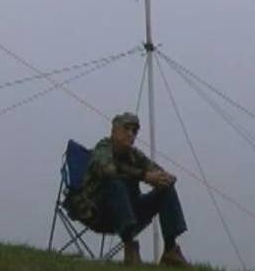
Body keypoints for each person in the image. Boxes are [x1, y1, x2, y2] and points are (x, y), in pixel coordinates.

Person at [69, 112, 189, 267]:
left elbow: (154, 170)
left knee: (166, 187)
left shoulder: (134, 155)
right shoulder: (103, 148)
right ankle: (130, 248)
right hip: (97, 212)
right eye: (126, 129)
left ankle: (170, 250)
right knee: (114, 181)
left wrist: (163, 177)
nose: (130, 134)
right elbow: (107, 169)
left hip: (128, 213)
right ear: (114, 131)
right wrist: (143, 175)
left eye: (134, 131)